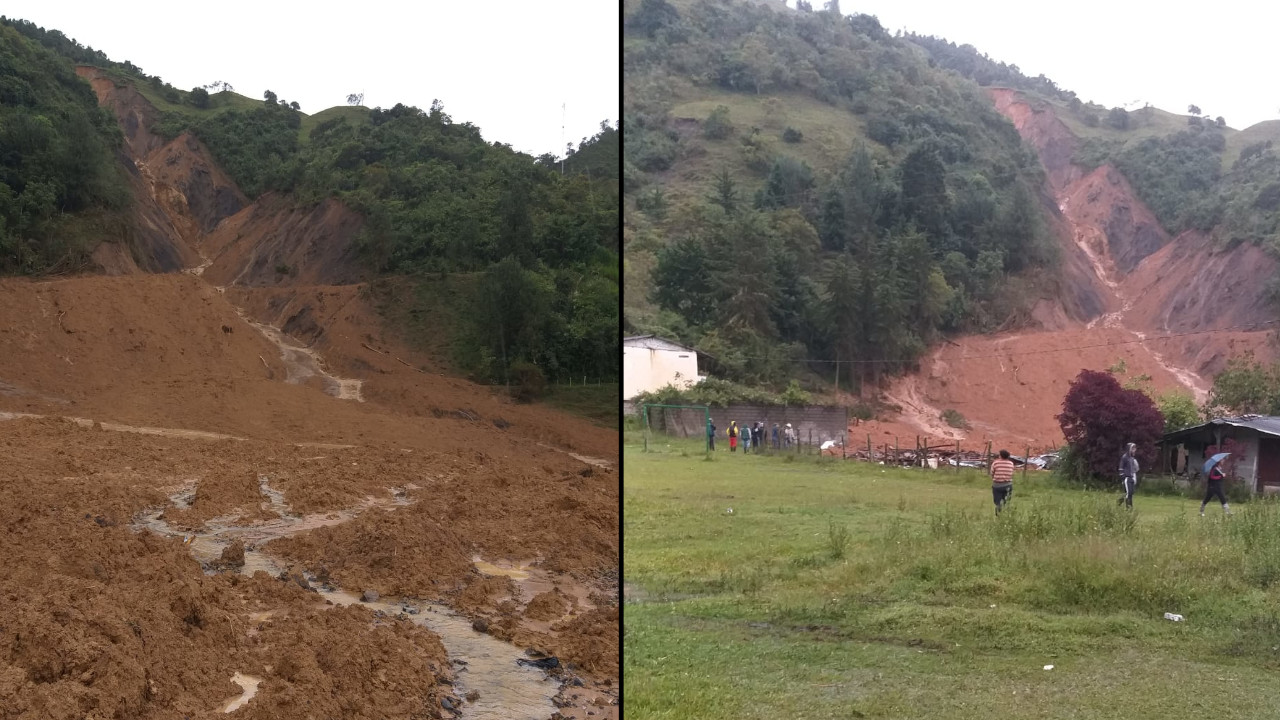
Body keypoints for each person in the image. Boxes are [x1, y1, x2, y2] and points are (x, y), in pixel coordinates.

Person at [990, 449, 1016, 515]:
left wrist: (995, 478)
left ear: (1001, 456)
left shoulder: (995, 463)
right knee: (1006, 501)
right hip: (1008, 485)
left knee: (998, 502)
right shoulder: (1011, 463)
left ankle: (998, 514)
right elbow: (1011, 473)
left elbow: (992, 473)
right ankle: (1005, 514)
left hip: (997, 485)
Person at [1118, 442, 1139, 509]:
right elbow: (1121, 468)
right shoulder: (1124, 457)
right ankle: (1128, 507)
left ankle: (1121, 502)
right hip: (1127, 478)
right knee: (1128, 492)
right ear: (1129, 449)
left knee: (1131, 493)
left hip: (1132, 477)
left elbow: (1135, 469)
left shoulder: (1132, 458)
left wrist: (1134, 476)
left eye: (1135, 448)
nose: (1134, 450)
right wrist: (1123, 477)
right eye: (1133, 448)